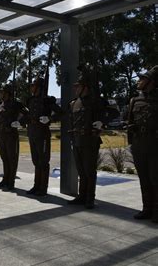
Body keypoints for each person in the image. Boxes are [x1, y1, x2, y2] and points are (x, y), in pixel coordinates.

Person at [68, 71, 105, 209]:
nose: (75, 89)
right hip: (77, 140)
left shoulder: (95, 101)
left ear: (85, 88)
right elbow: (72, 121)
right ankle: (82, 196)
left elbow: (113, 112)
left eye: (78, 86)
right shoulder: (73, 103)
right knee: (81, 171)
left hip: (90, 140)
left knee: (89, 171)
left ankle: (90, 198)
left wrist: (102, 122)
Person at [127, 65, 158, 222]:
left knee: (155, 179)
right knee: (144, 179)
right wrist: (131, 140)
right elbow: (130, 121)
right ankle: (146, 209)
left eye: (143, 79)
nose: (139, 81)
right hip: (139, 145)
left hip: (155, 145)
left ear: (151, 82)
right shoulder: (135, 100)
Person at [25, 78, 62, 196]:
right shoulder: (30, 100)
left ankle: (43, 188)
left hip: (42, 133)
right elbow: (28, 115)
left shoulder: (47, 100)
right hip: (32, 132)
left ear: (39, 88)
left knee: (43, 161)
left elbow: (61, 113)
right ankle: (36, 185)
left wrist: (49, 119)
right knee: (36, 161)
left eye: (33, 85)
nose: (31, 87)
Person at [0, 84, 28, 190]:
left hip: (11, 135)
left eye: (2, 92)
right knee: (4, 158)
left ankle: (11, 182)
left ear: (8, 93)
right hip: (1, 135)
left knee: (12, 159)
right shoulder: (1, 105)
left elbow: (27, 114)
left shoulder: (16, 104)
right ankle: (5, 179)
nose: (0, 94)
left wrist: (19, 122)